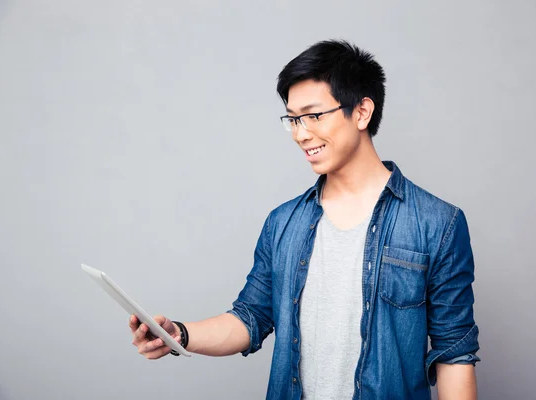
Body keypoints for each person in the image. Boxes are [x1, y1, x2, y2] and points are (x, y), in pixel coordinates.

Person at [129, 39, 481, 400]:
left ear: (362, 112)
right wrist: (178, 335)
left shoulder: (437, 224)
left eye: (314, 116)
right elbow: (250, 318)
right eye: (293, 119)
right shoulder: (283, 223)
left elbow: (454, 355)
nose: (301, 133)